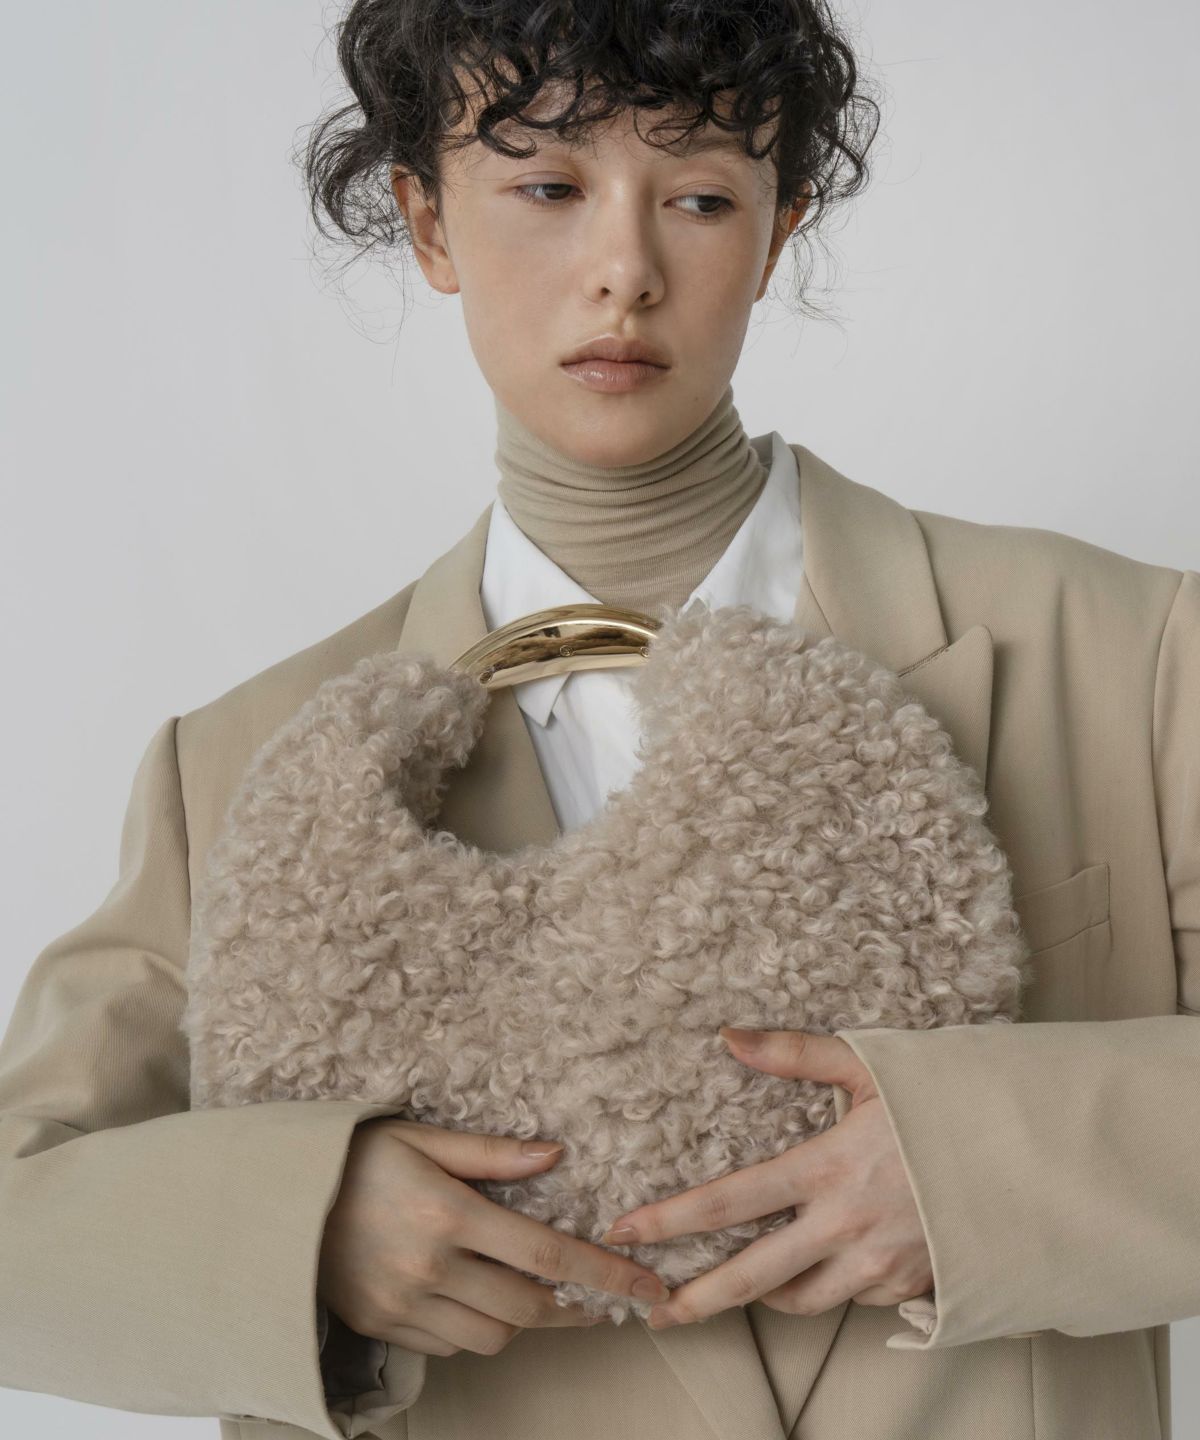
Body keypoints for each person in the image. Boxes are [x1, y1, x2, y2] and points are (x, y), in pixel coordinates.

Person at [1, 2, 1196, 1439]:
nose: (625, 270)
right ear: (428, 223)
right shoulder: (240, 765)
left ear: (779, 229)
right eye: (549, 187)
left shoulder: (1128, 652)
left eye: (700, 198)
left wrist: (989, 1169)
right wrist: (299, 1229)